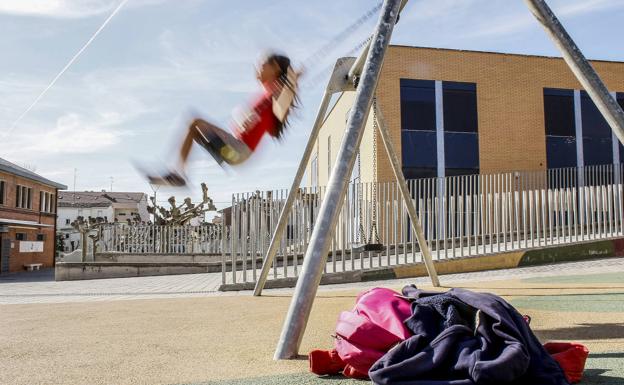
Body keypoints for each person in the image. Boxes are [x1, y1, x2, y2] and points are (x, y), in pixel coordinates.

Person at [145, 52, 300, 186]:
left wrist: (292, 81)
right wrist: (246, 120)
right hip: (235, 147)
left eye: (262, 64)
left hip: (239, 151)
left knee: (195, 122)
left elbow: (282, 108)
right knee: (194, 127)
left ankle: (178, 175)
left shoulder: (277, 93)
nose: (257, 67)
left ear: (275, 68)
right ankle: (177, 174)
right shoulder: (266, 92)